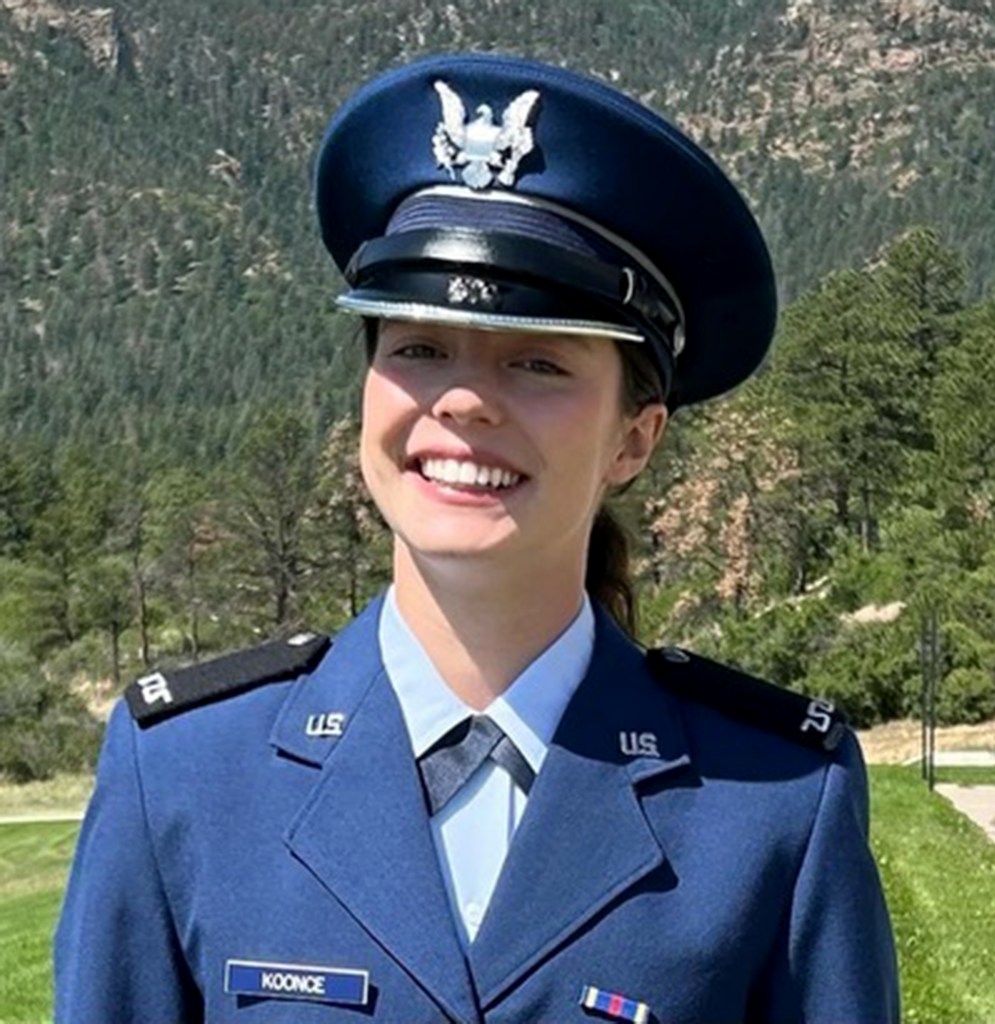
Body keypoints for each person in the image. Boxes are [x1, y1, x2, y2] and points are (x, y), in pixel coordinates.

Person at [54, 53, 899, 1023]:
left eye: (536, 362)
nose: (461, 401)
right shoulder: (187, 774)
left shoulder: (773, 801)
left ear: (633, 437)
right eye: (417, 347)